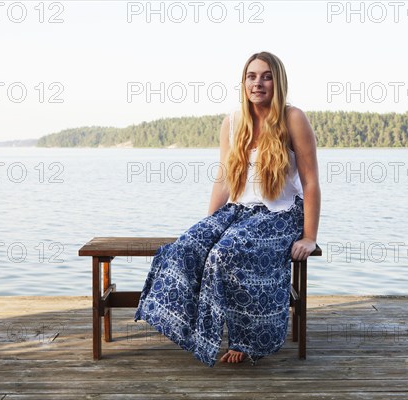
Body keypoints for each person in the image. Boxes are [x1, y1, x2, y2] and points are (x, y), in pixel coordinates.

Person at [135, 51, 321, 367]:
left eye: (266, 76)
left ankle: (245, 340)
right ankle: (193, 330)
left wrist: (310, 237)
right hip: (236, 211)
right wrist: (207, 226)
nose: (258, 83)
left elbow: (312, 182)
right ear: (243, 82)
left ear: (278, 81)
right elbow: (223, 180)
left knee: (225, 254)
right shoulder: (232, 122)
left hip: (279, 214)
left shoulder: (293, 118)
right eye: (252, 76)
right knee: (187, 248)